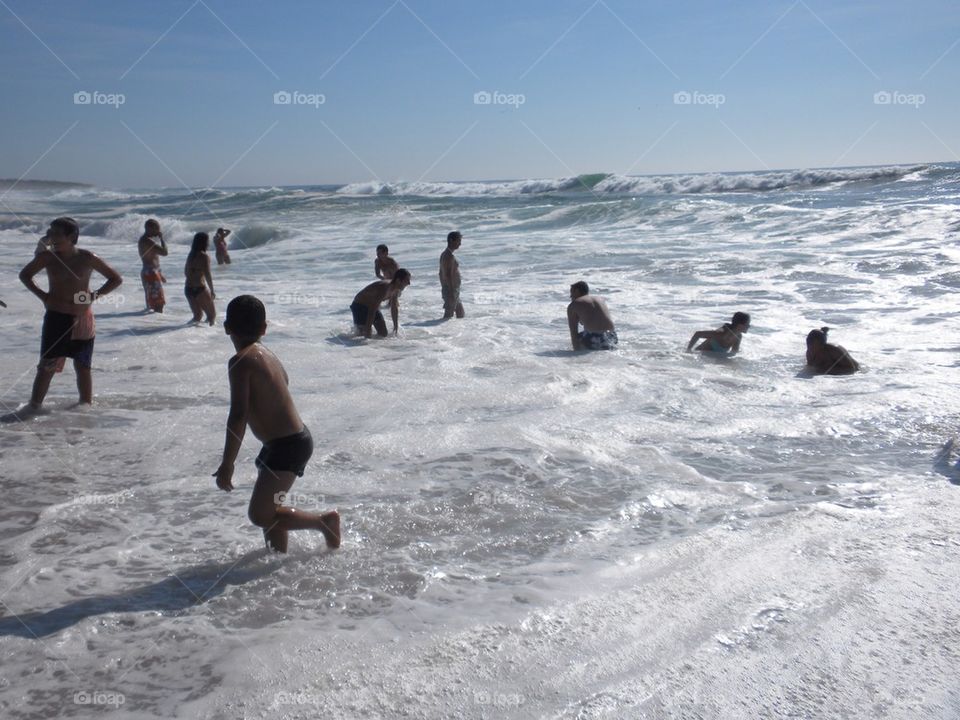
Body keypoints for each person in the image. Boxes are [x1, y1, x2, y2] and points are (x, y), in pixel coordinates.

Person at [212, 295, 340, 553]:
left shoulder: (240, 362)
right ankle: (276, 560)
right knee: (270, 509)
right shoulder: (267, 354)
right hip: (287, 442)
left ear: (226, 327)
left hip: (287, 446)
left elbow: (238, 415)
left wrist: (228, 464)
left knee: (259, 515)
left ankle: (323, 523)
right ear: (264, 328)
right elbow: (281, 386)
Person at [18, 217, 123, 407]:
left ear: (72, 236)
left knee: (83, 366)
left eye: (57, 234)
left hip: (83, 318)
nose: (52, 238)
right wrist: (43, 296)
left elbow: (115, 279)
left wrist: (92, 296)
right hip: (56, 316)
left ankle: (84, 408)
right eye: (50, 233)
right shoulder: (48, 257)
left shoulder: (87, 258)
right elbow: (25, 275)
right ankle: (33, 408)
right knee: (47, 367)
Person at [350, 269, 412, 338]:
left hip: (372, 307)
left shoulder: (396, 290)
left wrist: (395, 327)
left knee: (383, 334)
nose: (409, 283)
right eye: (407, 280)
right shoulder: (384, 288)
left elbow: (394, 307)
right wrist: (368, 330)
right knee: (362, 336)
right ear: (398, 280)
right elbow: (372, 309)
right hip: (359, 306)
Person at [567, 281, 617, 350]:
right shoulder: (600, 299)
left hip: (593, 338)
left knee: (578, 341)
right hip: (612, 336)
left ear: (577, 291)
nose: (571, 297)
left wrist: (575, 356)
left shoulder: (574, 304)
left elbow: (574, 333)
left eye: (571, 294)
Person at [184, 232, 216, 325]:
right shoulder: (204, 256)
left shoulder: (190, 255)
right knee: (211, 316)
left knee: (197, 316)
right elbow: (207, 274)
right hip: (200, 288)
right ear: (204, 242)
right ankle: (208, 337)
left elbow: (186, 272)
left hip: (188, 288)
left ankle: (187, 333)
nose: (209, 243)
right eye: (208, 241)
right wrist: (212, 290)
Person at [138, 219, 168, 312]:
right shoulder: (147, 241)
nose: (159, 232)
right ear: (149, 228)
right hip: (151, 273)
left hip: (151, 272)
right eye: (157, 229)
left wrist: (159, 274)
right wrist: (162, 239)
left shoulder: (145, 240)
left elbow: (153, 259)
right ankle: (156, 324)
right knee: (158, 304)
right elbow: (164, 252)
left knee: (154, 303)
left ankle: (153, 323)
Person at [439, 231, 464, 319]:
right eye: (458, 241)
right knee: (448, 314)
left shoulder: (445, 254)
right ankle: (442, 331)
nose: (460, 244)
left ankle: (457, 331)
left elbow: (440, 274)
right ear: (451, 240)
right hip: (451, 289)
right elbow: (447, 275)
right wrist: (451, 291)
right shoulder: (448, 256)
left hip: (452, 289)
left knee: (460, 312)